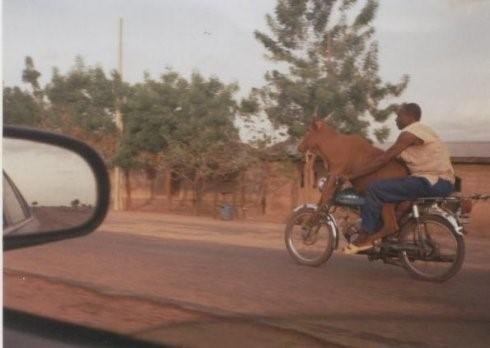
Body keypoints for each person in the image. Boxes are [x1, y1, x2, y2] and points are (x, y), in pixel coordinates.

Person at [342, 103, 455, 254]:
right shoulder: (422, 133)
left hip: (431, 181)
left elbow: (383, 159)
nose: (396, 119)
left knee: (375, 188)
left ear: (409, 116)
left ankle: (364, 236)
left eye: (399, 116)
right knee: (389, 191)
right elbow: (394, 161)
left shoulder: (410, 132)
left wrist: (352, 176)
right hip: (439, 182)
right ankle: (389, 234)